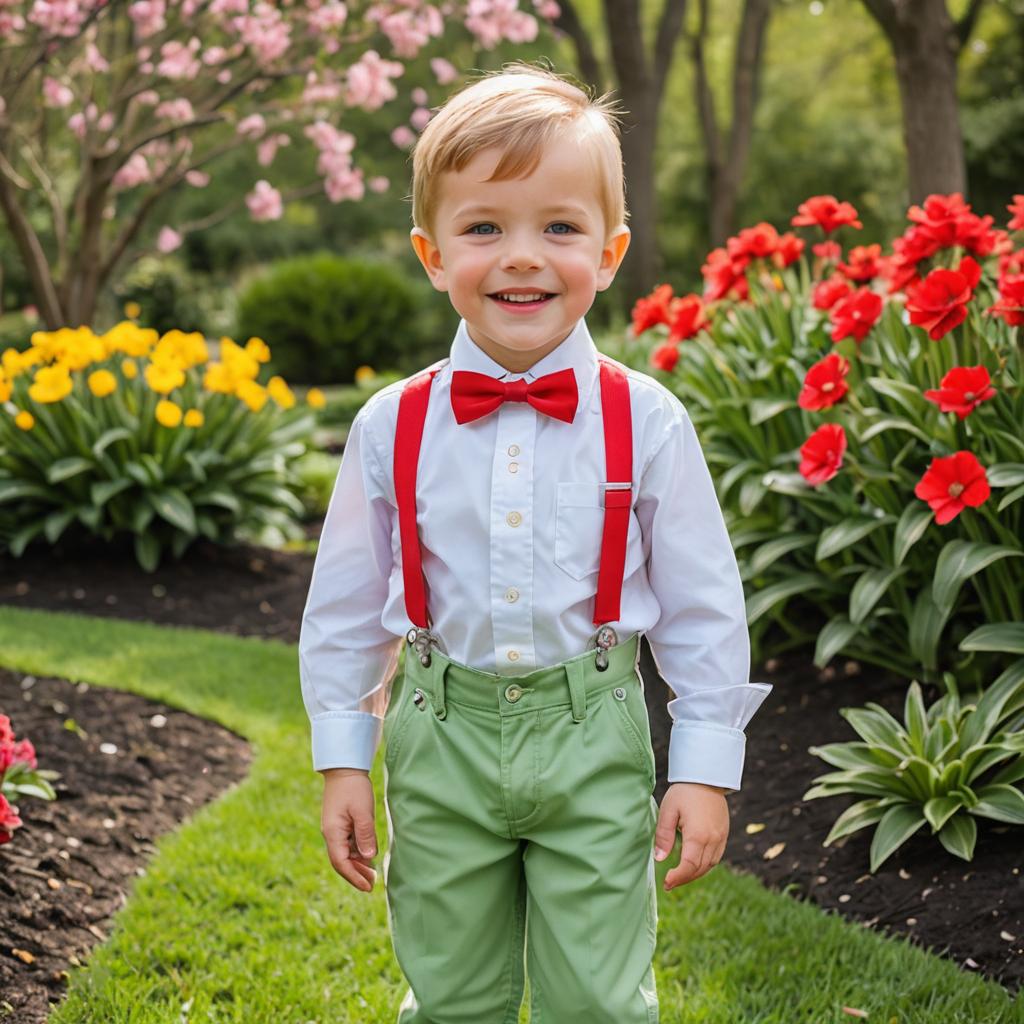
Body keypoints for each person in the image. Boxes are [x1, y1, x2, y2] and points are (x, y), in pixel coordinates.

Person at [298, 59, 773, 1023]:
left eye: (559, 227)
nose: (522, 255)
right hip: (440, 737)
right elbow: (345, 604)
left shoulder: (648, 421)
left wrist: (704, 766)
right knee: (451, 993)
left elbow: (702, 604)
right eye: (485, 228)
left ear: (610, 252)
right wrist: (345, 755)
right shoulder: (391, 425)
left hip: (592, 732)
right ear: (433, 256)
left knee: (598, 999)